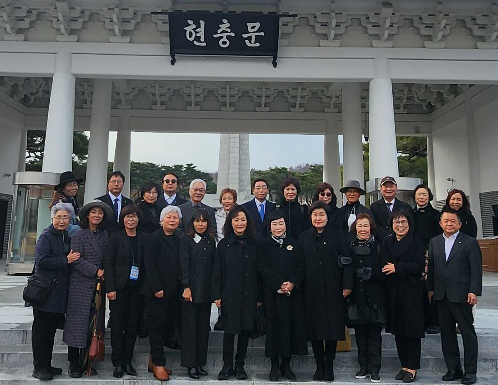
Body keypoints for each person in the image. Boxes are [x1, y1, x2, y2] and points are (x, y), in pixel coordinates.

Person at [299, 201, 354, 382]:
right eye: (315, 215)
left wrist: (346, 285)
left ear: (327, 217)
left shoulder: (338, 236)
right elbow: (298, 265)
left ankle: (329, 364)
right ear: (310, 218)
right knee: (315, 329)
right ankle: (319, 364)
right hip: (311, 290)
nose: (318, 218)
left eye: (321, 215)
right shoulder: (304, 237)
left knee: (332, 329)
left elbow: (347, 261)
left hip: (333, 289)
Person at [428, 208, 482, 385]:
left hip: (462, 294)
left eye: (453, 221)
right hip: (441, 295)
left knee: (468, 334)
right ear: (440, 223)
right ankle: (454, 369)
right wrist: (431, 289)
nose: (449, 224)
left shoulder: (470, 242)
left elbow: (476, 269)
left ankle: (470, 371)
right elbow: (433, 269)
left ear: (459, 223)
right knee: (447, 335)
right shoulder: (434, 242)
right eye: (446, 221)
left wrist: (474, 290)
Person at [31, 203, 80, 381]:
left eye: (65, 217)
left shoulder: (66, 236)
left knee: (50, 332)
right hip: (44, 292)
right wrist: (65, 260)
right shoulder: (46, 236)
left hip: (57, 293)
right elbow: (41, 260)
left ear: (71, 219)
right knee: (41, 332)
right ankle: (39, 367)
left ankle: (46, 364)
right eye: (58, 217)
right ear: (52, 218)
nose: (61, 221)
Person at [63, 200, 112, 378]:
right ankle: (74, 363)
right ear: (87, 216)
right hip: (81, 285)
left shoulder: (105, 235)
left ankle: (87, 361)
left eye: (100, 212)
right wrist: (95, 271)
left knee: (94, 325)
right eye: (94, 212)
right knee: (77, 325)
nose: (97, 215)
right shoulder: (79, 234)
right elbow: (75, 259)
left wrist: (106, 271)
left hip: (99, 286)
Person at [257, 210, 307, 382]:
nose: (278, 227)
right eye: (274, 224)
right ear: (269, 227)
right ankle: (274, 365)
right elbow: (263, 268)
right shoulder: (263, 245)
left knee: (289, 328)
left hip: (291, 295)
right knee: (273, 329)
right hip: (272, 295)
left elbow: (301, 267)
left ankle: (287, 364)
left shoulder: (294, 244)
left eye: (281, 223)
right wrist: (279, 283)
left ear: (286, 224)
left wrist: (292, 283)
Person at [212, 205, 259, 381]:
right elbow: (218, 271)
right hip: (229, 294)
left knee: (245, 331)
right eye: (236, 219)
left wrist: (259, 298)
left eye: (243, 219)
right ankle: (227, 365)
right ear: (230, 222)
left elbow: (258, 272)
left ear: (248, 222)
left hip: (249, 294)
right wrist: (217, 295)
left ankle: (240, 365)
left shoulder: (254, 244)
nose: (240, 223)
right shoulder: (224, 244)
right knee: (229, 332)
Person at [381, 210, 425, 383]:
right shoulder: (387, 241)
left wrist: (398, 268)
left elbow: (418, 266)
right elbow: (384, 264)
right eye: (396, 222)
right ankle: (404, 365)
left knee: (411, 331)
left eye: (403, 222)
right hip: (393, 291)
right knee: (398, 331)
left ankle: (413, 367)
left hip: (411, 292)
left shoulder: (416, 243)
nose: (400, 226)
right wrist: (393, 268)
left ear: (409, 224)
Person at [141, 205, 183, 381]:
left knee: (167, 327)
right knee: (157, 328)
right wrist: (156, 287)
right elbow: (148, 265)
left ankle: (154, 359)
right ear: (161, 220)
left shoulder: (179, 239)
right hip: (156, 291)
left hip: (173, 291)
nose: (172, 220)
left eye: (175, 217)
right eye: (169, 217)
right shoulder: (153, 239)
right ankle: (159, 363)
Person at [104, 205, 146, 378]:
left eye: (134, 216)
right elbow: (108, 263)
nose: (131, 220)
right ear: (123, 219)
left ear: (138, 219)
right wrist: (110, 288)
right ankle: (118, 362)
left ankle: (128, 361)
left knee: (132, 327)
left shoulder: (144, 238)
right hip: (119, 290)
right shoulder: (115, 237)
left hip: (137, 290)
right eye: (127, 216)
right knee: (118, 326)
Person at [347, 213, 385, 383]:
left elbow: (385, 269)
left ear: (371, 228)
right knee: (360, 334)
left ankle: (375, 368)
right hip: (356, 297)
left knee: (375, 335)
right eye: (360, 226)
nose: (363, 229)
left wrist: (372, 273)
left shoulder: (379, 246)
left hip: (375, 297)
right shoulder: (349, 246)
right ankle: (363, 366)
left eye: (366, 226)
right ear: (355, 228)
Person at [179, 209, 217, 379]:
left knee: (203, 329)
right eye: (197, 221)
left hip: (206, 291)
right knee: (190, 329)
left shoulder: (210, 241)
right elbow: (183, 265)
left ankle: (200, 363)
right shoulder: (186, 240)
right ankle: (190, 365)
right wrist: (186, 286)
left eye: (203, 221)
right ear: (192, 223)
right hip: (191, 291)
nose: (200, 224)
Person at [412, 184, 442, 335]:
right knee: (419, 289)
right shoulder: (410, 214)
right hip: (415, 256)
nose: (421, 197)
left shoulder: (437, 215)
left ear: (429, 197)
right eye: (418, 194)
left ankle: (434, 321)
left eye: (424, 194)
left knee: (432, 287)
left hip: (432, 255)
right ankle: (422, 320)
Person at [370, 176, 412, 241]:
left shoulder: (406, 207)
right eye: (386, 186)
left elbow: (411, 226)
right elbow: (374, 226)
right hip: (380, 244)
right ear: (381, 188)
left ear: (396, 188)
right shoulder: (374, 207)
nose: (388, 189)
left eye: (391, 186)